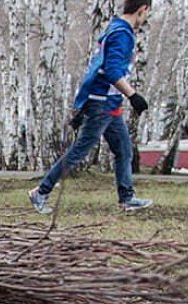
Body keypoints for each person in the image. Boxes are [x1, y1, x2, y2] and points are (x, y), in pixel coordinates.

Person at [29, 0, 154, 214]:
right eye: (147, 14)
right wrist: (133, 96)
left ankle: (127, 198)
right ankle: (41, 191)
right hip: (102, 103)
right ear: (143, 9)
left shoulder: (115, 29)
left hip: (108, 103)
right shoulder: (121, 34)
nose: (146, 18)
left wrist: (84, 104)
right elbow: (112, 71)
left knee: (124, 149)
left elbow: (97, 68)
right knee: (79, 151)